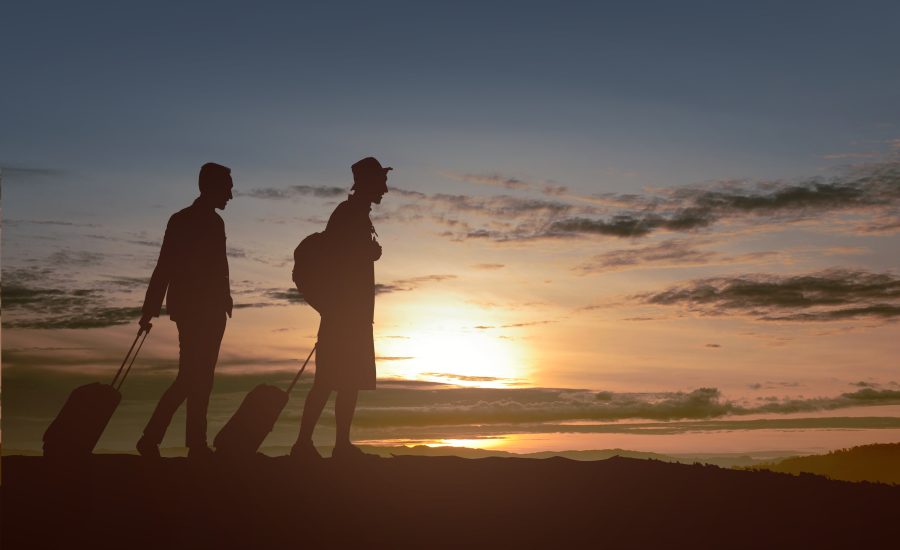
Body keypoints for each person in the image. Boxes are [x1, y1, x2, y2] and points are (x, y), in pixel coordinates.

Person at [292, 156, 390, 460]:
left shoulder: (356, 214)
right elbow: (341, 260)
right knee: (328, 381)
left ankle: (339, 446)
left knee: (349, 382)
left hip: (353, 314)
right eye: (381, 182)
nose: (385, 189)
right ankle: (304, 444)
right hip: (344, 314)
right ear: (368, 183)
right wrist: (369, 252)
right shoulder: (348, 215)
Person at [136, 163, 235, 459]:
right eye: (227, 187)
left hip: (213, 310)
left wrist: (226, 298)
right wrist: (150, 309)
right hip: (193, 311)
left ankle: (194, 443)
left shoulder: (216, 223)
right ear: (212, 187)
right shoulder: (182, 221)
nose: (231, 194)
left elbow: (220, 266)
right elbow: (165, 264)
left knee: (201, 378)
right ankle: (154, 438)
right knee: (191, 377)